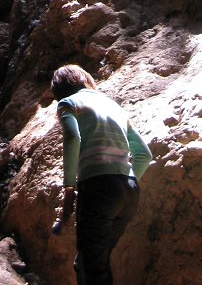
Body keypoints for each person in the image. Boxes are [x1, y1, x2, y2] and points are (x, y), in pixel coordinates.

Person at [51, 64, 152, 285]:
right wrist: (126, 180)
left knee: (94, 270)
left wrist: (69, 186)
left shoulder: (68, 103)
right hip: (129, 191)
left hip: (98, 188)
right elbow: (144, 155)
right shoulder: (114, 106)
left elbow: (72, 137)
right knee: (88, 263)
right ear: (84, 79)